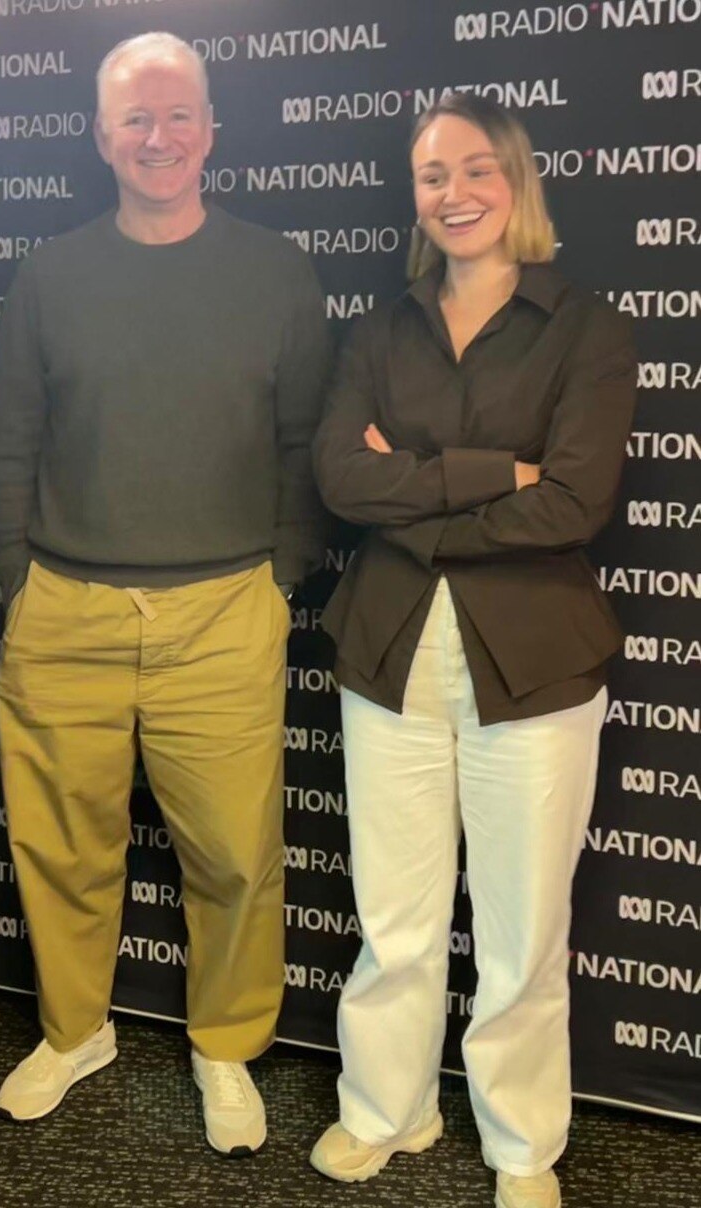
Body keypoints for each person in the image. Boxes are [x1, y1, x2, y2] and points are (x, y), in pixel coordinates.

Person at [0, 32, 329, 1156]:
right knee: (61, 845)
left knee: (232, 852)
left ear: (210, 130)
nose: (156, 135)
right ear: (99, 138)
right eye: (133, 118)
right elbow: (9, 439)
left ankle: (224, 1043)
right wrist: (12, 573)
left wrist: (280, 574)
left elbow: (301, 443)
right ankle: (74, 1029)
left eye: (177, 114)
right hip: (65, 608)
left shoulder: (274, 270)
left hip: (225, 607)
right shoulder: (51, 274)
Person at [309, 95, 636, 1208]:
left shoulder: (583, 325)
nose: (450, 192)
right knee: (393, 918)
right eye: (429, 174)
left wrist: (410, 480)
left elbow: (576, 503)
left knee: (520, 927)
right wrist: (495, 472)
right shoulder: (376, 326)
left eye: (472, 169)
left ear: (515, 180)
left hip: (533, 662)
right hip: (389, 651)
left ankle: (518, 1146)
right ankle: (384, 1112)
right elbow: (336, 479)